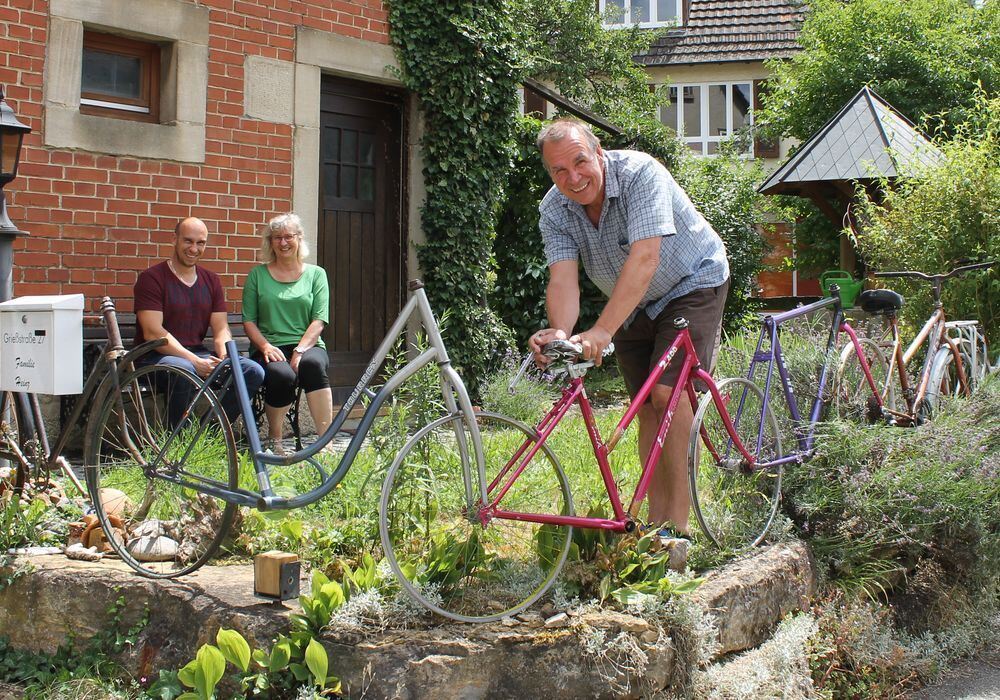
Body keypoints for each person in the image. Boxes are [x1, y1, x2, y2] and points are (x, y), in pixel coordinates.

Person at [528, 118, 730, 541]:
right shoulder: (554, 208)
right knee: (644, 406)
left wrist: (602, 331)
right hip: (632, 300)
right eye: (559, 170)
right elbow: (563, 278)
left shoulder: (640, 174)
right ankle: (653, 524)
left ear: (599, 153)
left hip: (691, 282)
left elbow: (645, 258)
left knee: (668, 395)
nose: (573, 178)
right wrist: (561, 333)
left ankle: (678, 530)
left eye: (580, 162)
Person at [134, 217, 265, 425]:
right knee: (184, 369)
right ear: (174, 239)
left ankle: (210, 433)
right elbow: (153, 332)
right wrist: (194, 361)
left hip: (197, 354)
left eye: (200, 243)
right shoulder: (152, 278)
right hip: (154, 358)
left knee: (251, 371)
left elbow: (221, 328)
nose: (194, 248)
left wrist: (224, 357)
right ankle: (177, 437)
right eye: (188, 241)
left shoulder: (211, 280)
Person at [242, 213, 333, 455]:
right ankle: (276, 440)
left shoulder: (316, 274)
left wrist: (300, 350)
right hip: (269, 346)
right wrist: (264, 346)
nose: (283, 242)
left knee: (313, 364)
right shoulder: (257, 275)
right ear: (270, 242)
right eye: (277, 238)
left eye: (288, 237)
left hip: (308, 345)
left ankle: (325, 441)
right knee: (281, 374)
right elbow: (249, 321)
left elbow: (319, 320)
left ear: (299, 238)